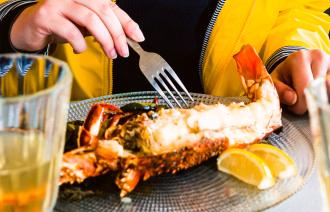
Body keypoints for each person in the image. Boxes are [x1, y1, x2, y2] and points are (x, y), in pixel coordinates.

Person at [0, 0, 329, 115]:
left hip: (241, 168)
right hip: (62, 162)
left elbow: (298, 8)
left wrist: (288, 55)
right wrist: (15, 27)